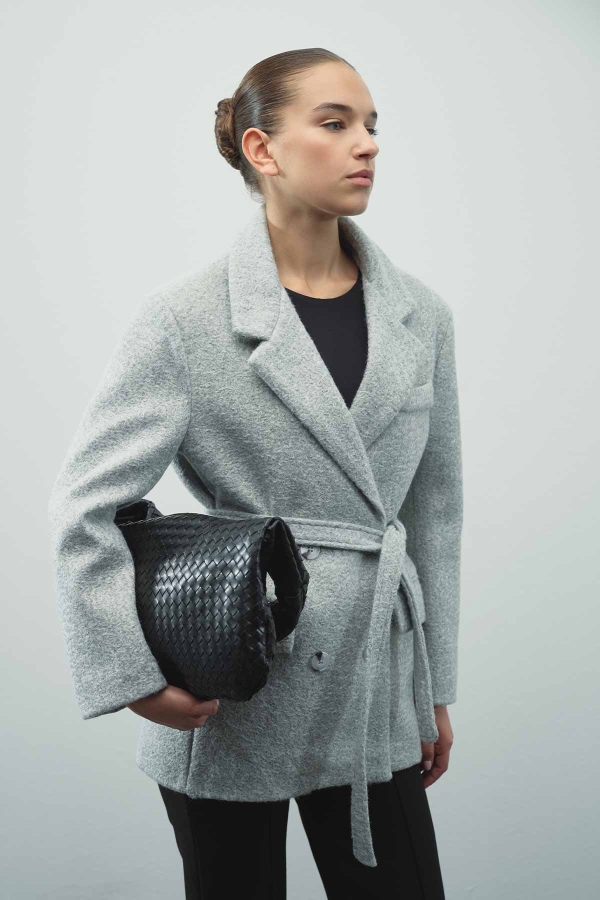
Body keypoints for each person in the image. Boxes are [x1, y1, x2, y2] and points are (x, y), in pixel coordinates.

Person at [48, 47, 463, 900]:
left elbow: (436, 510)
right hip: (238, 672)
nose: (367, 144)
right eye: (335, 123)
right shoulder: (185, 319)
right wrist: (133, 676)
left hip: (376, 684)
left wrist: (434, 686)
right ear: (261, 148)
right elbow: (85, 504)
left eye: (371, 125)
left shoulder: (422, 316)